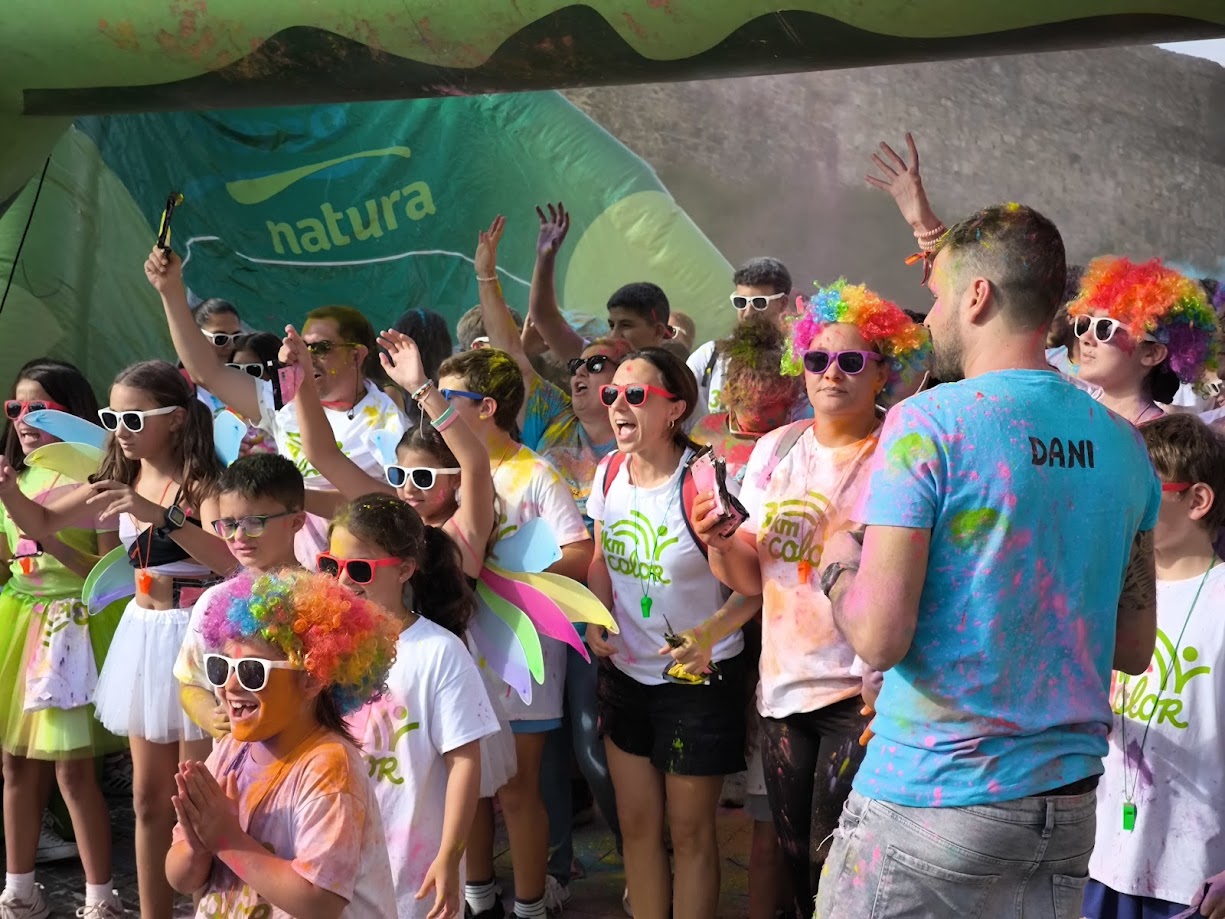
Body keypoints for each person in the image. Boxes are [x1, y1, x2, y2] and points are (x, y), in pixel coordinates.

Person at [814, 203, 1162, 919]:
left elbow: (879, 637)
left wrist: (834, 565)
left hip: (930, 799)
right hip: (1064, 813)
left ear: (977, 296)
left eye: (939, 294)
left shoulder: (930, 423)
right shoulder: (1124, 445)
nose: (930, 316)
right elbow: (1130, 646)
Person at [688, 283, 930, 918]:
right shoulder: (777, 449)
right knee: (797, 853)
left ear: (884, 371)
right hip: (784, 683)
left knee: (841, 855)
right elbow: (749, 576)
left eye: (852, 361)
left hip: (863, 691)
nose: (832, 374)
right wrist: (717, 542)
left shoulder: (902, 452)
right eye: (818, 359)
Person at [0, 360, 236, 919]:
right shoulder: (120, 476)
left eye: (132, 417)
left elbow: (229, 561)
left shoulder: (206, 483)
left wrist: (160, 515)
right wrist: (8, 490)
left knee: (197, 799)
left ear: (176, 420)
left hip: (198, 636)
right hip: (144, 633)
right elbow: (39, 523)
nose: (118, 429)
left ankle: (211, 907)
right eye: (111, 416)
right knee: (148, 801)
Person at [469, 216, 627, 903]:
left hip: (611, 611)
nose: (585, 372)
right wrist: (494, 272)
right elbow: (514, 344)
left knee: (596, 751)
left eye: (601, 365)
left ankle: (638, 850)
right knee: (548, 755)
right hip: (535, 613)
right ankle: (555, 869)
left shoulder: (634, 446)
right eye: (582, 364)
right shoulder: (549, 422)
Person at [431, 346, 592, 919]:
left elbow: (579, 552)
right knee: (466, 782)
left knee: (517, 788)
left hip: (523, 649)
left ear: (487, 407)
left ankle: (529, 904)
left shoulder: (535, 472)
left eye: (447, 400)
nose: (434, 412)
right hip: (460, 647)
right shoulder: (442, 469)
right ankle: (477, 898)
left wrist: (512, 575)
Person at [587, 347, 747, 919]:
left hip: (698, 682)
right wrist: (597, 618)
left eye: (635, 395)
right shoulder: (607, 472)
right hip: (626, 676)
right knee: (635, 825)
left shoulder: (704, 480)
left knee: (691, 834)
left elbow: (755, 587)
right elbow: (601, 561)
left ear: (674, 408)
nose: (617, 405)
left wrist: (707, 634)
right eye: (612, 394)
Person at [144, 246, 408, 563]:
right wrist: (170, 291)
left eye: (321, 347)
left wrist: (278, 500)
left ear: (357, 354)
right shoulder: (285, 400)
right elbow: (207, 372)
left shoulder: (389, 420)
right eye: (303, 347)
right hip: (296, 575)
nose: (308, 356)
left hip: (362, 574)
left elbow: (396, 505)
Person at [165, 568, 399, 917]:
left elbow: (319, 901)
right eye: (219, 667)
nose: (229, 686)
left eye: (252, 672)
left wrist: (226, 839)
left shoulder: (329, 766)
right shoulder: (231, 749)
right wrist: (198, 842)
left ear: (310, 681)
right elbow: (180, 878)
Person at [329, 495, 500, 918]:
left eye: (360, 569)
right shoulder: (323, 646)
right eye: (331, 566)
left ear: (404, 569)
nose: (342, 582)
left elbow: (464, 762)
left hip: (413, 872)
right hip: (333, 861)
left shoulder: (438, 652)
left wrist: (449, 854)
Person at [1083, 414, 1225, 919]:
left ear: (1197, 500)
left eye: (1144, 488)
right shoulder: (1107, 588)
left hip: (1193, 876)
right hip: (1098, 861)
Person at [0, 360, 125, 919]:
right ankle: (19, 889)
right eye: (16, 408)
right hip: (17, 622)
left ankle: (100, 897)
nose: (25, 419)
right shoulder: (15, 478)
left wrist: (48, 545)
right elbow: (8, 568)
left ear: (73, 414)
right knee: (15, 765)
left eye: (39, 408)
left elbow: (105, 569)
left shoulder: (92, 475)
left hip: (70, 624)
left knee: (73, 771)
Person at [174, 453, 307, 738]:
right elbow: (190, 681)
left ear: (296, 522)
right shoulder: (213, 601)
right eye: (229, 525)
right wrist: (210, 716)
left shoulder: (319, 600)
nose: (239, 537)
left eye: (253, 523)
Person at [1067, 256, 1219, 426]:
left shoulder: (1162, 442)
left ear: (1152, 353)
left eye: (1105, 328)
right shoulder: (1070, 412)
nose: (1085, 337)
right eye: (1086, 323)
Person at [527, 203, 672, 361]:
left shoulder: (674, 381)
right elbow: (544, 318)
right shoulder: (596, 364)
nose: (614, 335)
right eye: (611, 325)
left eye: (626, 325)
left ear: (658, 332)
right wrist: (545, 258)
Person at [686, 257, 796, 424]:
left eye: (759, 303)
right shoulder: (709, 355)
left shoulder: (796, 361)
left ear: (782, 304)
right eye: (741, 302)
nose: (747, 312)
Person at [190, 298, 244, 416]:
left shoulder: (251, 380)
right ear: (197, 337)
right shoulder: (179, 386)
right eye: (220, 338)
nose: (230, 346)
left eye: (237, 338)